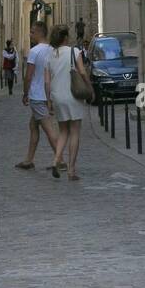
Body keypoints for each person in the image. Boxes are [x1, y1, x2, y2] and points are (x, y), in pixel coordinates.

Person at [45, 23, 91, 180]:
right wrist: (90, 87)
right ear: (65, 38)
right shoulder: (74, 51)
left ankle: (56, 159)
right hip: (73, 95)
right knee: (75, 132)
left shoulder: (50, 55)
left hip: (57, 96)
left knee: (63, 131)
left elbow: (47, 81)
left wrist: (49, 101)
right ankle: (71, 170)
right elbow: (83, 72)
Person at [15, 21, 58, 170]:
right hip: (48, 94)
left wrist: (25, 93)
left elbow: (28, 76)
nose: (30, 34)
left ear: (40, 33)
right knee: (33, 125)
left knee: (48, 129)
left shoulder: (34, 51)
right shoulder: (52, 50)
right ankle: (29, 160)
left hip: (38, 95)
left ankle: (61, 160)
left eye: (32, 32)